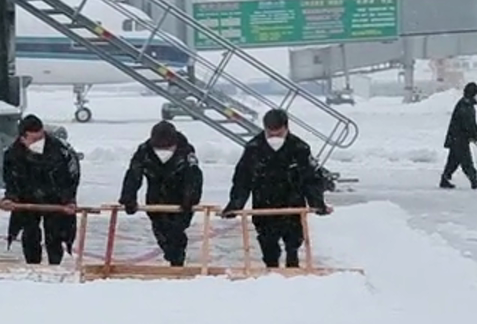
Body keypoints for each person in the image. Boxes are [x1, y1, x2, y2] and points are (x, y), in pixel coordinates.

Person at [221, 108, 333, 268]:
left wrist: (317, 203)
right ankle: (271, 271)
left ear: (286, 128)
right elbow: (242, 179)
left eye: (278, 134)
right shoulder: (254, 148)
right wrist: (235, 204)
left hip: (292, 203)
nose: (274, 138)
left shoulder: (299, 148)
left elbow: (310, 180)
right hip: (264, 203)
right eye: (270, 134)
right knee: (268, 244)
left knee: (293, 240)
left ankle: (293, 266)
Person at [118, 121, 203, 267]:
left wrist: (191, 198)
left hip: (181, 200)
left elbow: (194, 177)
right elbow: (133, 174)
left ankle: (177, 261)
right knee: (161, 232)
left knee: (176, 231)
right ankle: (173, 257)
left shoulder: (186, 151)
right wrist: (128, 197)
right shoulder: (144, 151)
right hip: (155, 200)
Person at [2, 114, 81, 265]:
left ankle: (55, 265)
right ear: (23, 138)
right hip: (28, 199)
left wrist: (69, 200)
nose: (39, 143)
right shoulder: (13, 154)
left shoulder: (61, 150)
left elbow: (71, 177)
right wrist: (10, 197)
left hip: (55, 198)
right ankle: (33, 265)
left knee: (54, 235)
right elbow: (10, 180)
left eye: (41, 138)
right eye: (34, 140)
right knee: (30, 234)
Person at [441, 82, 477, 189]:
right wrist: (474, 135)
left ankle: (445, 179)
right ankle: (474, 180)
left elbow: (472, 123)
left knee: (453, 161)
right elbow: (468, 123)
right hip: (459, 138)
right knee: (466, 161)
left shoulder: (466, 104)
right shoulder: (465, 105)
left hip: (457, 138)